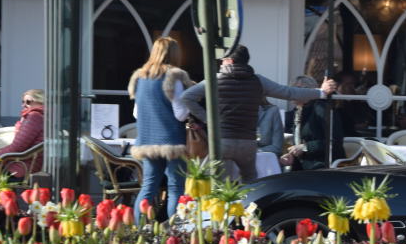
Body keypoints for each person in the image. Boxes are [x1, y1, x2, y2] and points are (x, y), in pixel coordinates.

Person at [181, 46, 337, 181]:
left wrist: (209, 120)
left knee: (222, 187)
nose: (221, 63)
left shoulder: (214, 80)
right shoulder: (258, 80)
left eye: (223, 60)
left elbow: (187, 97)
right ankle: (247, 215)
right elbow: (289, 93)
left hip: (223, 141)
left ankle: (224, 215)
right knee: (250, 184)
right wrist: (321, 93)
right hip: (248, 144)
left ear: (230, 61)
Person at [127, 39, 193, 217]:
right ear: (174, 54)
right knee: (175, 188)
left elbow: (136, 114)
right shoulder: (173, 76)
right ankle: (175, 233)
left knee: (148, 186)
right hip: (172, 141)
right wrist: (192, 106)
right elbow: (180, 113)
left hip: (147, 141)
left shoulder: (141, 77)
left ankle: (138, 232)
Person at [281, 75, 346, 171]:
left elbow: (335, 141)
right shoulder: (298, 111)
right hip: (302, 167)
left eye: (298, 88)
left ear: (309, 92)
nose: (293, 92)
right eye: (292, 88)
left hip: (322, 166)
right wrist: (292, 155)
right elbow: (300, 142)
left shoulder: (321, 108)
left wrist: (305, 147)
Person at [0, 89, 46, 180]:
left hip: (19, 168)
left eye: (28, 102)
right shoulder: (43, 116)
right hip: (27, 165)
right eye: (23, 101)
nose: (23, 105)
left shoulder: (34, 116)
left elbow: (17, 147)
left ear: (41, 102)